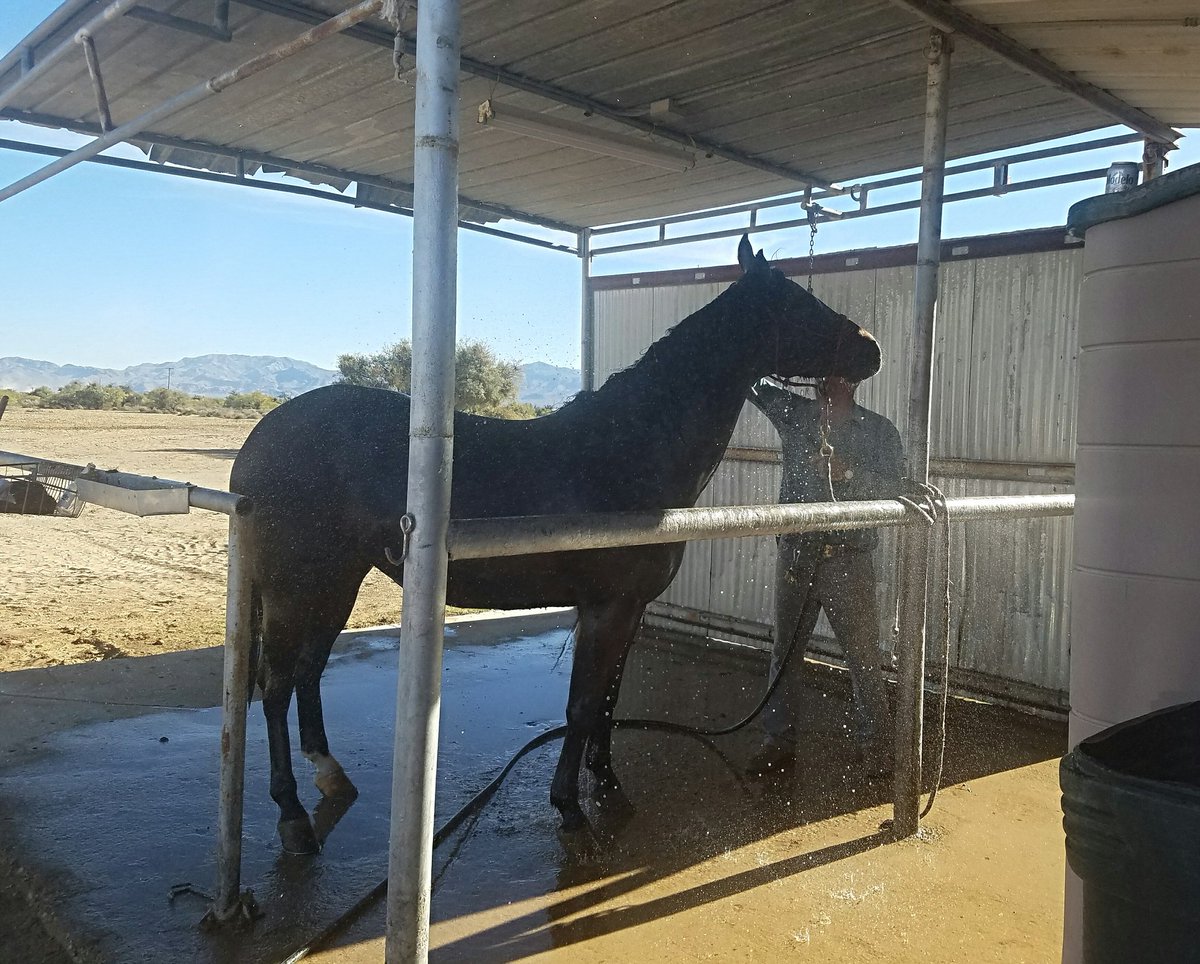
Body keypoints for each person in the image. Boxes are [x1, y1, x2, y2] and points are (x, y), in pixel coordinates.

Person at [745, 375, 907, 780]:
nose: (825, 379)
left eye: (836, 372)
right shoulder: (797, 415)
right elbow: (752, 381)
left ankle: (876, 752)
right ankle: (777, 744)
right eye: (821, 371)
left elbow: (896, 490)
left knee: (863, 658)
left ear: (854, 379)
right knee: (785, 653)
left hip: (848, 560)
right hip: (796, 556)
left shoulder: (878, 431)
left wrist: (848, 473)